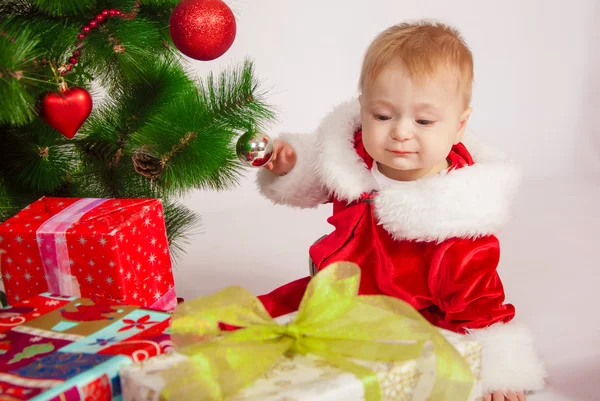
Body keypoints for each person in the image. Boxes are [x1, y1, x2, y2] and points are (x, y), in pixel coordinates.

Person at [256, 21, 546, 401]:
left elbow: (480, 301)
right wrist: (288, 164)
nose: (401, 132)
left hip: (403, 320)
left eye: (424, 121)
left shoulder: (455, 219)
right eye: (383, 116)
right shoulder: (351, 158)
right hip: (335, 292)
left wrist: (498, 370)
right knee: (258, 318)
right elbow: (313, 174)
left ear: (459, 126)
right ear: (363, 109)